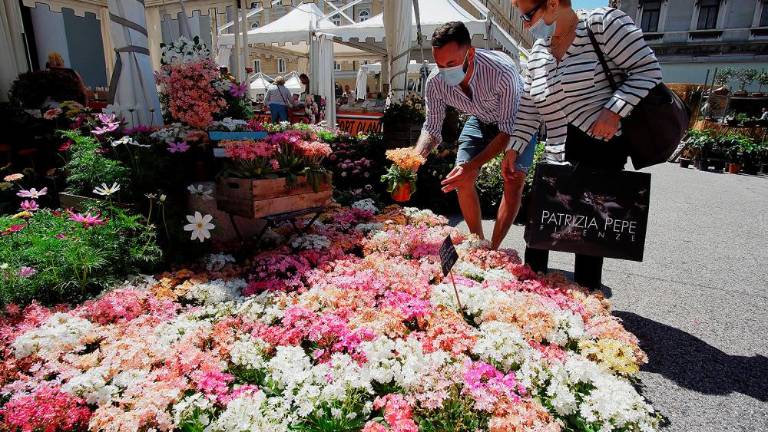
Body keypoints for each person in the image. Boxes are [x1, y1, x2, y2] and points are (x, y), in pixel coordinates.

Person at [510, 0, 663, 289]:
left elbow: (648, 70)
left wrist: (614, 109)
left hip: (601, 145)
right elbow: (530, 105)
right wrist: (515, 147)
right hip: (556, 148)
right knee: (540, 230)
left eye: (529, 16)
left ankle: (587, 305)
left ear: (553, 4)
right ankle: (529, 300)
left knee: (589, 237)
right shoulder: (539, 52)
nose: (527, 25)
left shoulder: (603, 25)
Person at [415, 21, 536, 249]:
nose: (444, 71)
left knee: (513, 181)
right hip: (480, 119)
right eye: (439, 64)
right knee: (463, 178)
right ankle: (478, 243)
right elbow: (431, 128)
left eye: (451, 63)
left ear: (470, 52)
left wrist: (472, 165)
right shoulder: (435, 81)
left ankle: (494, 248)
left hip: (519, 123)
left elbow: (507, 131)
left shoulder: (501, 70)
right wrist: (413, 159)